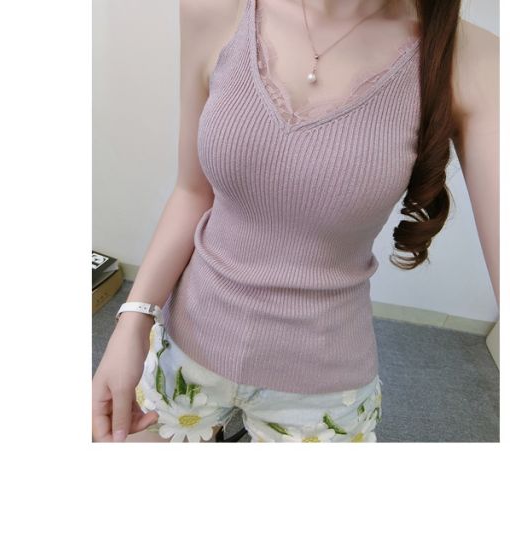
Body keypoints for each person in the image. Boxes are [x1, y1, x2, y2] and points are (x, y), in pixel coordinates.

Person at [92, 0, 499, 443]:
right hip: (187, 342)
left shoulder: (471, 61)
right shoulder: (215, 10)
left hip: (322, 382)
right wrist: (133, 320)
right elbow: (193, 192)